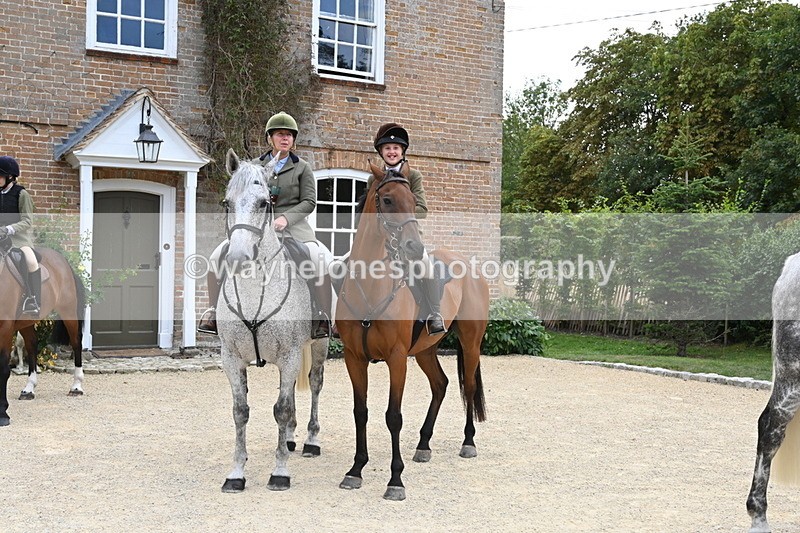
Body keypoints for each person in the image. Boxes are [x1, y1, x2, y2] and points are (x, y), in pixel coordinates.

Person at [198, 112, 335, 338]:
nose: (286, 138)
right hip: (254, 227)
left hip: (293, 228)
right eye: (280, 134)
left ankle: (321, 316)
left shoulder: (302, 168)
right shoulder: (252, 167)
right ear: (269, 138)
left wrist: (285, 218)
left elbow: (309, 201)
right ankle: (214, 312)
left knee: (317, 258)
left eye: (290, 135)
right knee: (216, 256)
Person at [370, 123, 446, 334]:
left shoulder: (413, 176)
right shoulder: (373, 178)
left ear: (402, 151)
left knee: (426, 266)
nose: (392, 152)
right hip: (381, 237)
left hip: (407, 235)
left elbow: (422, 208)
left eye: (396, 148)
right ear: (381, 152)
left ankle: (434, 314)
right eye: (387, 148)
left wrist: (403, 215)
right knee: (347, 265)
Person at [0, 156, 41, 316]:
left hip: (18, 239)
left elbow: (27, 221)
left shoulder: (22, 194)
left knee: (31, 261)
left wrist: (9, 229)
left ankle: (33, 299)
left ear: (10, 177)